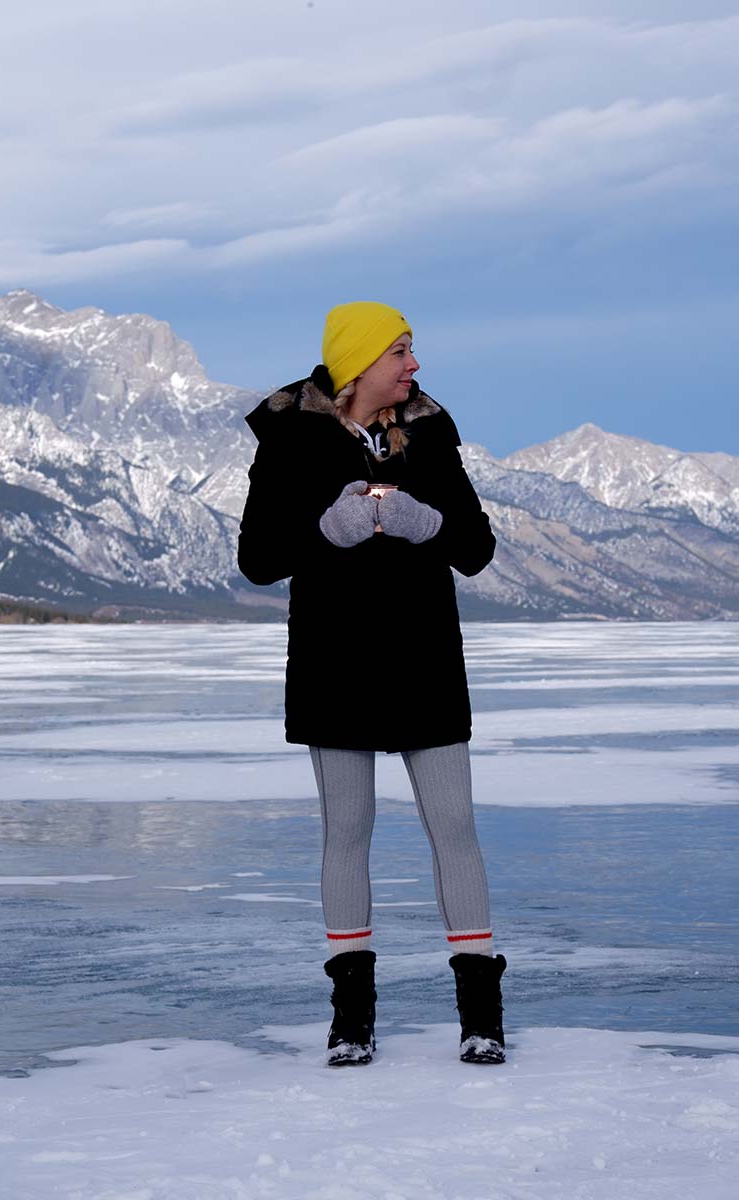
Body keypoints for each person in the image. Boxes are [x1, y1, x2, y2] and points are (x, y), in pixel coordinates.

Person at [237, 301, 505, 1067]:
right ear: (358, 364)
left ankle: (481, 1018)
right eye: (400, 352)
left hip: (424, 661)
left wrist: (428, 523)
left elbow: (477, 550)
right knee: (345, 834)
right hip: (336, 664)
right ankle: (351, 1021)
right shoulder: (290, 440)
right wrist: (327, 531)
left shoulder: (431, 434)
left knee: (455, 829)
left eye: (412, 351)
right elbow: (257, 559)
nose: (414, 366)